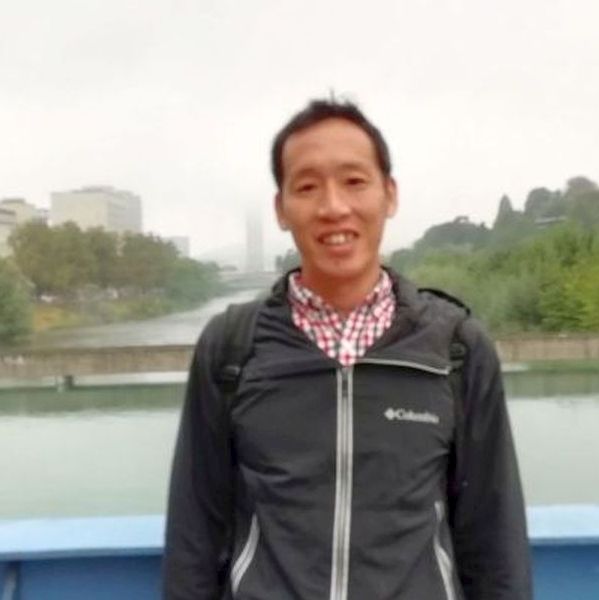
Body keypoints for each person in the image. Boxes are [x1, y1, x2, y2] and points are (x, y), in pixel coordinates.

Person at [163, 99, 532, 599]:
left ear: (389, 195)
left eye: (354, 181)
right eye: (307, 187)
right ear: (281, 209)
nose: (333, 207)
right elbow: (195, 529)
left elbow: (494, 536)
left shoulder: (456, 349)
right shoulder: (232, 349)